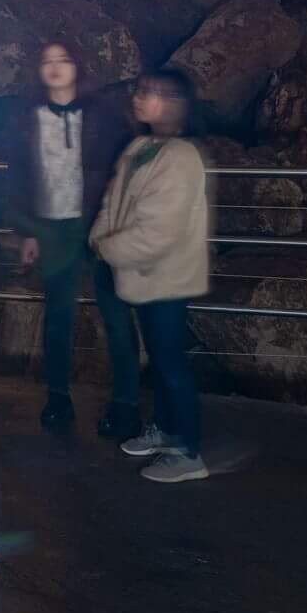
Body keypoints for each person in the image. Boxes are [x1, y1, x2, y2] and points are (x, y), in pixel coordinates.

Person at [0, 41, 133, 434]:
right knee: (58, 316)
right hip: (52, 227)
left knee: (117, 315)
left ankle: (124, 403)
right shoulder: (27, 118)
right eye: (47, 62)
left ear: (78, 66)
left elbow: (121, 169)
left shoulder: (104, 116)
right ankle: (58, 398)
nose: (55, 68)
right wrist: (25, 229)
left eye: (64, 60)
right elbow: (16, 179)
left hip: (100, 223)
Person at [89, 68, 211, 483]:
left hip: (166, 277)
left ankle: (189, 449)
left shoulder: (180, 157)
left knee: (170, 362)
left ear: (176, 105)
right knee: (160, 360)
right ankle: (167, 429)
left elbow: (160, 230)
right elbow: (113, 199)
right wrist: (101, 235)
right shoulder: (141, 146)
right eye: (140, 91)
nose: (140, 98)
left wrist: (107, 247)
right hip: (142, 274)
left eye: (152, 93)